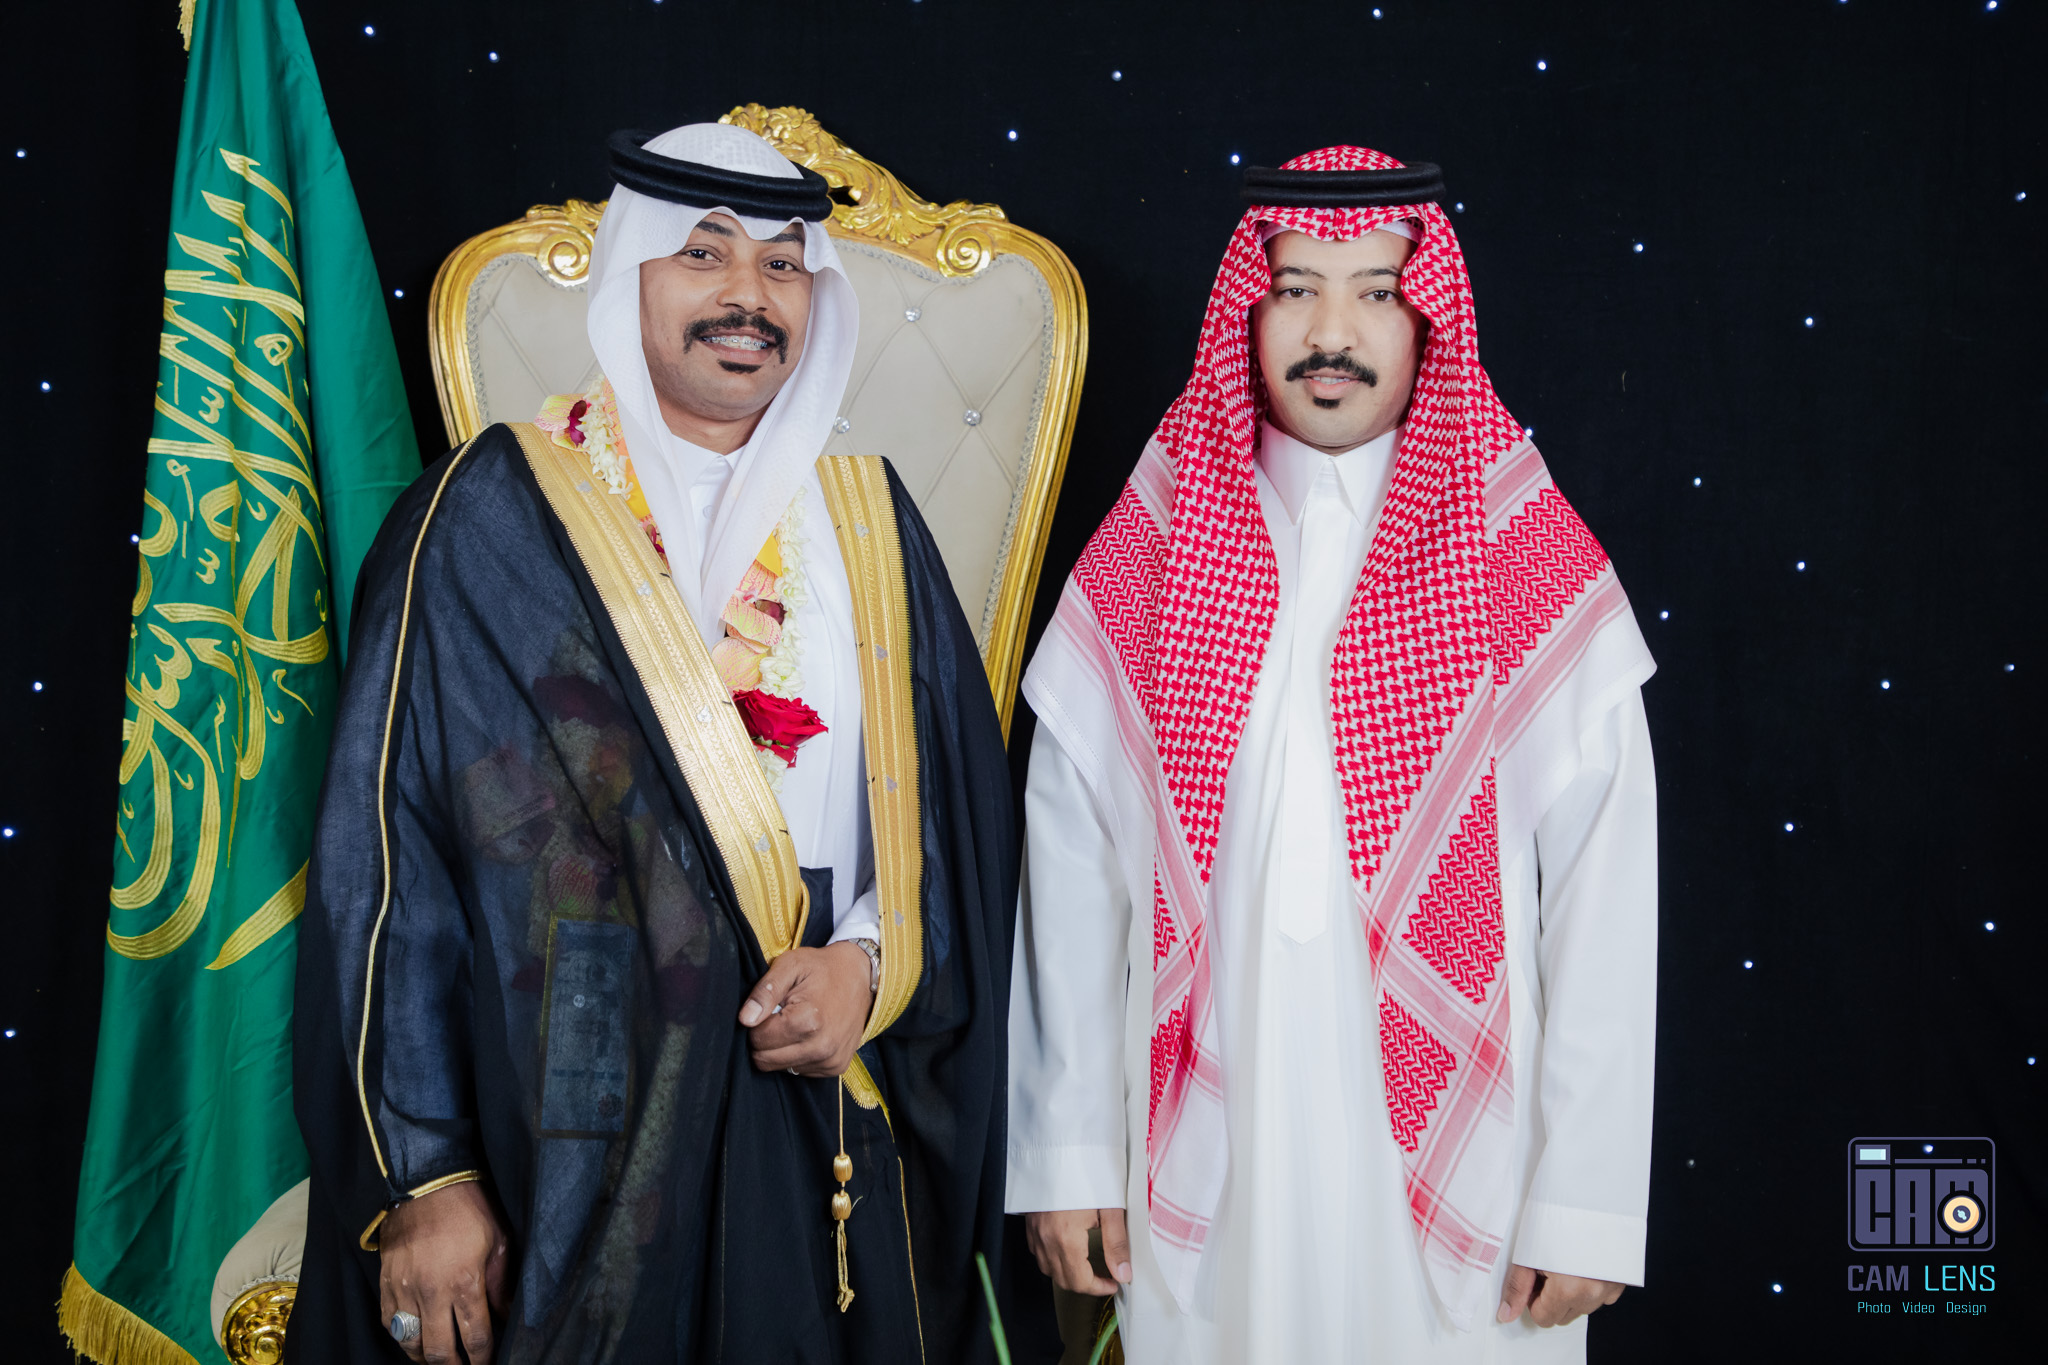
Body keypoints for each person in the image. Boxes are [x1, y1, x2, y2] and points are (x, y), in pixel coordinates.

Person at [291, 122, 1052, 1365]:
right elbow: (387, 861)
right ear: (628, 274)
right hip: (562, 1100)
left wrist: (868, 968)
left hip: (815, 1081)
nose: (748, 295)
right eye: (703, 254)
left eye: (782, 263)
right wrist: (425, 1176)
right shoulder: (485, 519)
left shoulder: (868, 522)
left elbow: (954, 832)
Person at [1007, 147, 1658, 1363]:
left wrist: (1584, 1199)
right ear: (1245, 317)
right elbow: (1073, 870)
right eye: (1295, 289)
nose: (1330, 333)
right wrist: (1070, 1152)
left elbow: (1602, 893)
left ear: (1428, 321)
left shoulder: (1514, 546)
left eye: (1374, 293)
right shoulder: (1158, 541)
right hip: (1201, 1147)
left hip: (1468, 1163)